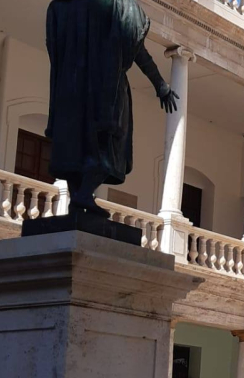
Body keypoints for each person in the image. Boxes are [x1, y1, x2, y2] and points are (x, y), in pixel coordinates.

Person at [45, 0, 179, 217]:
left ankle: (78, 198)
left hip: (69, 87)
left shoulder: (59, 5)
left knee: (73, 145)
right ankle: (84, 194)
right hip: (105, 89)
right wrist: (160, 85)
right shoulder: (121, 6)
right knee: (110, 144)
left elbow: (53, 48)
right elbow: (137, 51)